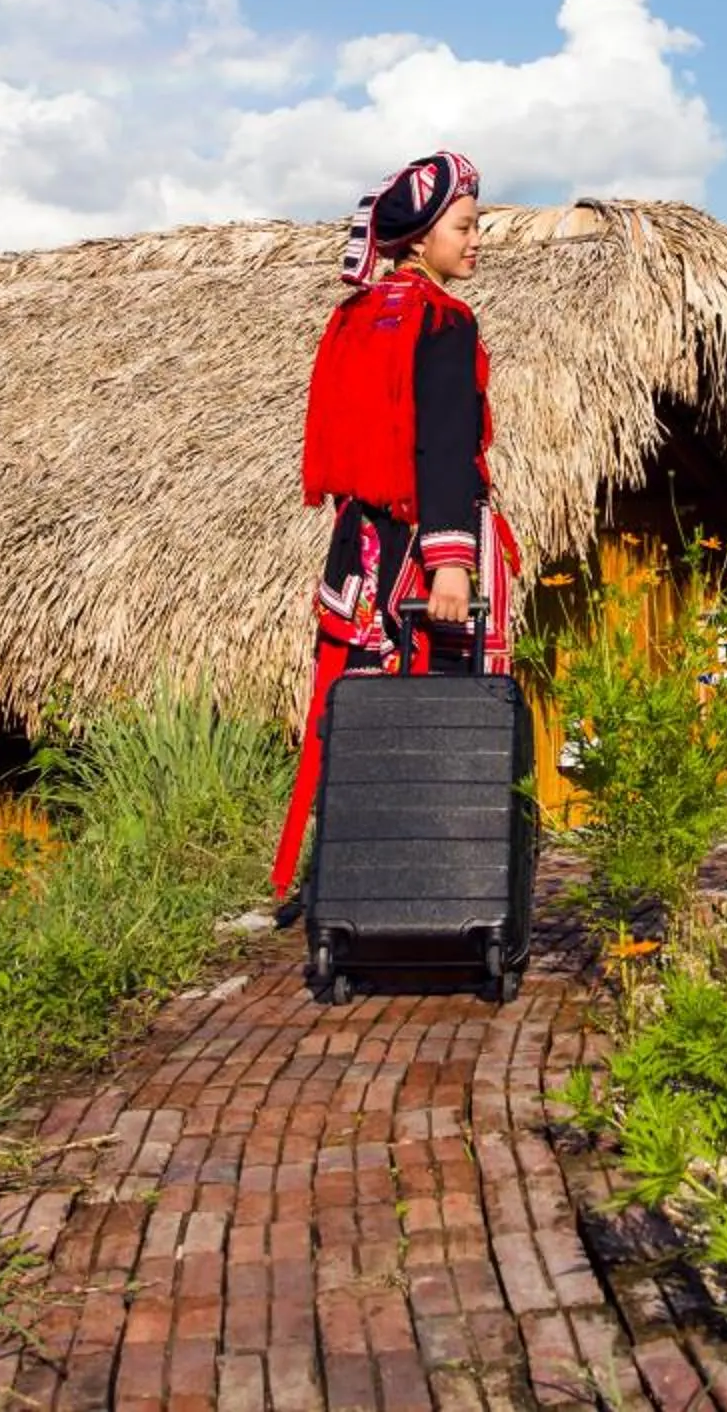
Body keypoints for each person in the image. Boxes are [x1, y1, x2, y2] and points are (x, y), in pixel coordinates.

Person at [270, 150, 522, 910]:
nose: (478, 240)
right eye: (466, 227)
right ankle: (430, 891)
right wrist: (454, 563)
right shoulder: (442, 320)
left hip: (358, 554)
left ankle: (349, 883)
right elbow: (441, 446)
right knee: (434, 725)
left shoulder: (357, 315)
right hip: (417, 558)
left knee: (358, 727)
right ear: (420, 237)